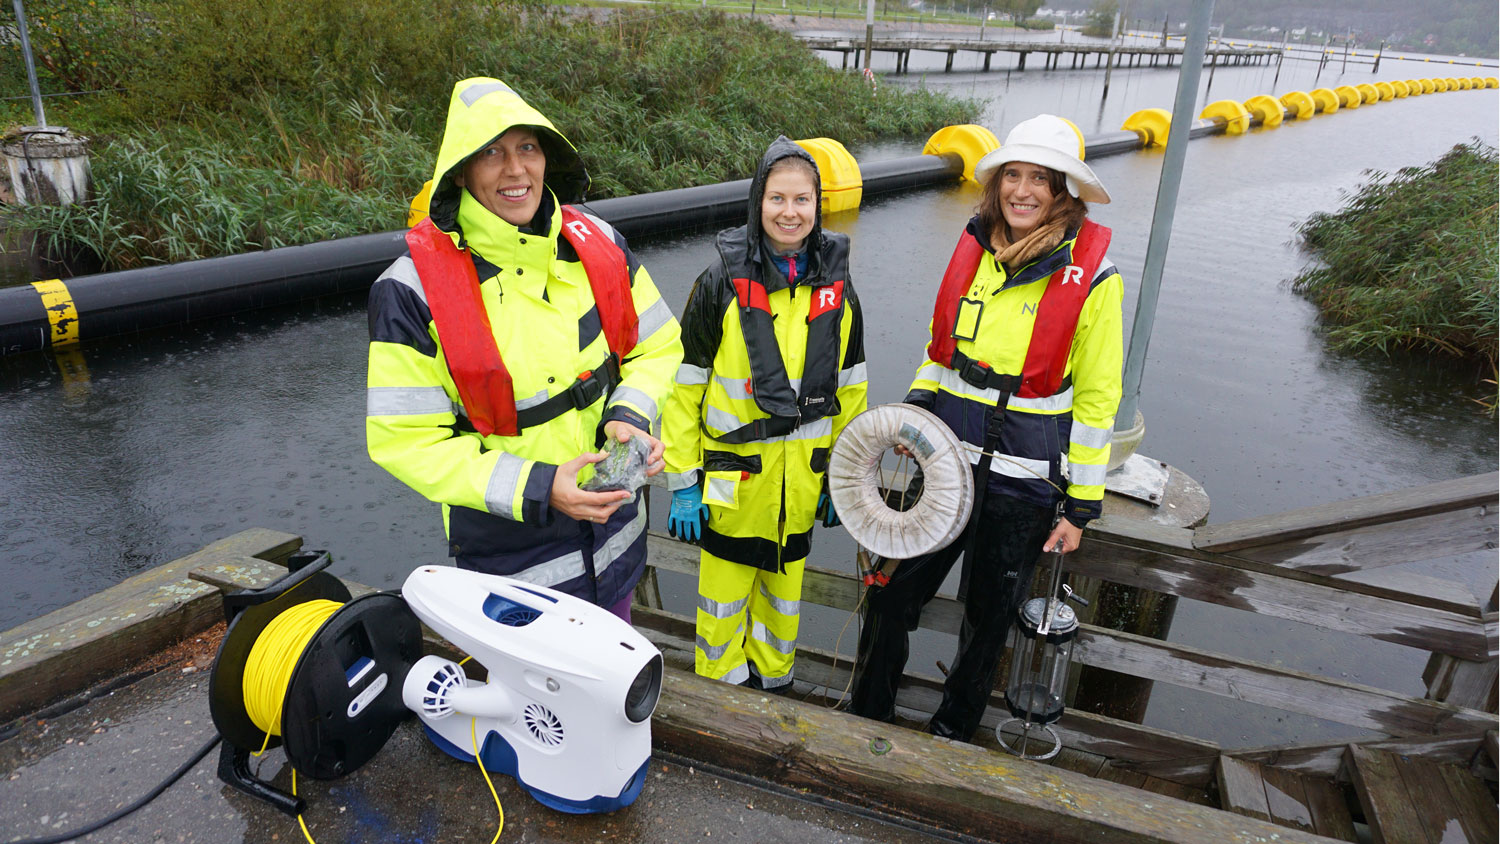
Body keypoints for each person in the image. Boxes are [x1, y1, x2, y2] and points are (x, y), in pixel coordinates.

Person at [365, 78, 683, 621]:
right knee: (527, 708)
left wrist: (630, 416)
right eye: (491, 153)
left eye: (527, 148)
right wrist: (540, 488)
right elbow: (408, 442)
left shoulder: (599, 244)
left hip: (617, 544)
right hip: (513, 575)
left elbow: (658, 346)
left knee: (614, 697)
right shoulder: (412, 290)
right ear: (461, 171)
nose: (515, 170)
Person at [849, 114, 1123, 740]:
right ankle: (868, 717)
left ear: (1063, 193)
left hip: (1024, 486)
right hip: (943, 467)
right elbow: (939, 353)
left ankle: (953, 732)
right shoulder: (975, 250)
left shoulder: (1096, 280)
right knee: (890, 596)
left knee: (989, 618)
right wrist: (913, 414)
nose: (1022, 191)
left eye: (1040, 180)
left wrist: (1079, 508)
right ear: (996, 183)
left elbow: (1099, 400)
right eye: (1012, 176)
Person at [661, 137, 868, 691]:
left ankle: (776, 696)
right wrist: (682, 483)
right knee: (721, 609)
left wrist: (841, 480)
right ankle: (718, 698)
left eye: (802, 200)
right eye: (778, 198)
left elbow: (852, 393)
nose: (790, 212)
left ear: (819, 206)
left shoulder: (839, 289)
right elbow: (684, 391)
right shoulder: (717, 285)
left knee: (783, 611)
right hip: (732, 486)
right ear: (758, 202)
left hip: (801, 486)